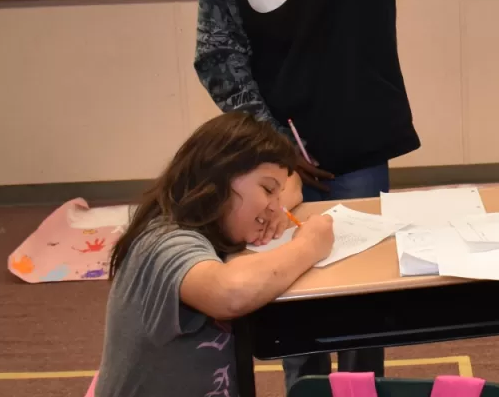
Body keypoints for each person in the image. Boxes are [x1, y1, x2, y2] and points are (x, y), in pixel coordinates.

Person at [193, 0, 485, 382]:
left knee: (362, 302)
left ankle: (360, 392)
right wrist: (273, 143)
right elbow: (218, 50)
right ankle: (306, 391)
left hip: (359, 139)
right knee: (291, 299)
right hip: (274, 156)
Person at [94, 112, 335, 397]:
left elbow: (291, 182)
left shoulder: (214, 224)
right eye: (268, 189)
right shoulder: (162, 241)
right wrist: (309, 244)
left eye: (277, 196)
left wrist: (271, 205)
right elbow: (229, 293)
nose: (275, 206)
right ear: (220, 175)